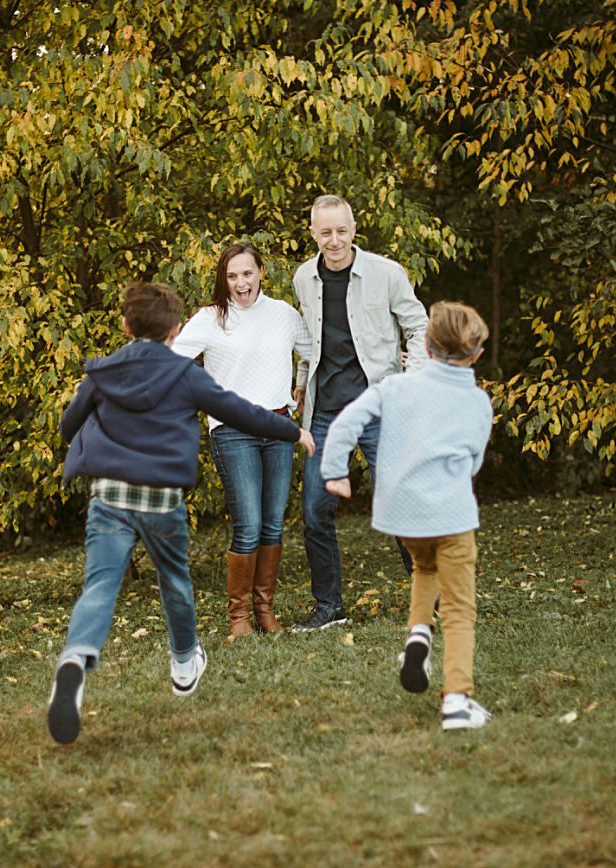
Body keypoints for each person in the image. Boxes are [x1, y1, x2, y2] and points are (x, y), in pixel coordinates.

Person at [48, 282, 316, 745]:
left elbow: (67, 426)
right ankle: (185, 661)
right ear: (175, 330)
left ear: (125, 326)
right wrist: (291, 431)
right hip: (161, 499)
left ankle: (75, 658)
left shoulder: (102, 373)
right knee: (174, 581)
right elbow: (239, 411)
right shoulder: (184, 374)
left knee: (100, 585)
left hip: (109, 498)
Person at [321, 301, 494, 730]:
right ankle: (458, 700)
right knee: (459, 609)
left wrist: (336, 471)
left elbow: (345, 422)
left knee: (424, 568)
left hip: (404, 514)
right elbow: (474, 461)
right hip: (451, 515)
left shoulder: (395, 387)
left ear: (426, 348)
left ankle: (418, 634)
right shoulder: (477, 402)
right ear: (475, 355)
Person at [291, 193, 428, 632]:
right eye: (325, 232)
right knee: (314, 511)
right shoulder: (303, 277)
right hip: (324, 414)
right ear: (313, 233)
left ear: (354, 229)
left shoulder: (386, 273)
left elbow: (418, 325)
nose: (334, 240)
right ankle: (329, 606)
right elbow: (309, 341)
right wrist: (300, 382)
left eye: (341, 231)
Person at [172, 242, 312, 638]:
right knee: (248, 525)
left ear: (261, 272)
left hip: (279, 426)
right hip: (233, 431)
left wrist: (302, 384)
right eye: (232, 276)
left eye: (247, 273)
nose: (240, 283)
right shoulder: (210, 318)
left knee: (273, 525)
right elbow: (172, 360)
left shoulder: (284, 314)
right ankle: (239, 617)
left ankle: (265, 611)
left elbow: (313, 353)